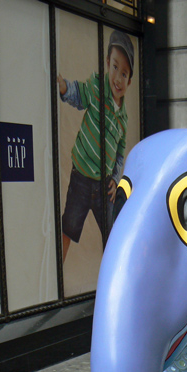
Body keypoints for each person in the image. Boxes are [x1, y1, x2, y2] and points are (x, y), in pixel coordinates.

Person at [58, 30, 134, 262]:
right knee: (68, 228)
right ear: (107, 64)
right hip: (81, 178)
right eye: (114, 67)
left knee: (113, 236)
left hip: (103, 187)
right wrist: (63, 87)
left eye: (124, 74)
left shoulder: (123, 118)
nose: (117, 79)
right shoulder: (97, 89)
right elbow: (78, 95)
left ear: (130, 81)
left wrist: (115, 178)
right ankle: (57, 276)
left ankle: (114, 276)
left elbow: (120, 154)